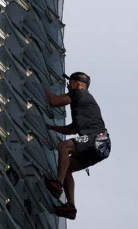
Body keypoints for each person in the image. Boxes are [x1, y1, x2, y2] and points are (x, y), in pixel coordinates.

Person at [44, 71, 111, 220]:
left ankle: (57, 184)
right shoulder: (84, 103)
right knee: (67, 168)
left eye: (70, 82)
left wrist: (41, 84)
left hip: (97, 139)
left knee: (64, 146)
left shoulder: (79, 94)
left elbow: (54, 102)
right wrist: (51, 127)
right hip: (102, 145)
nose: (68, 85)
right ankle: (70, 207)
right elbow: (72, 129)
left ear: (78, 84)